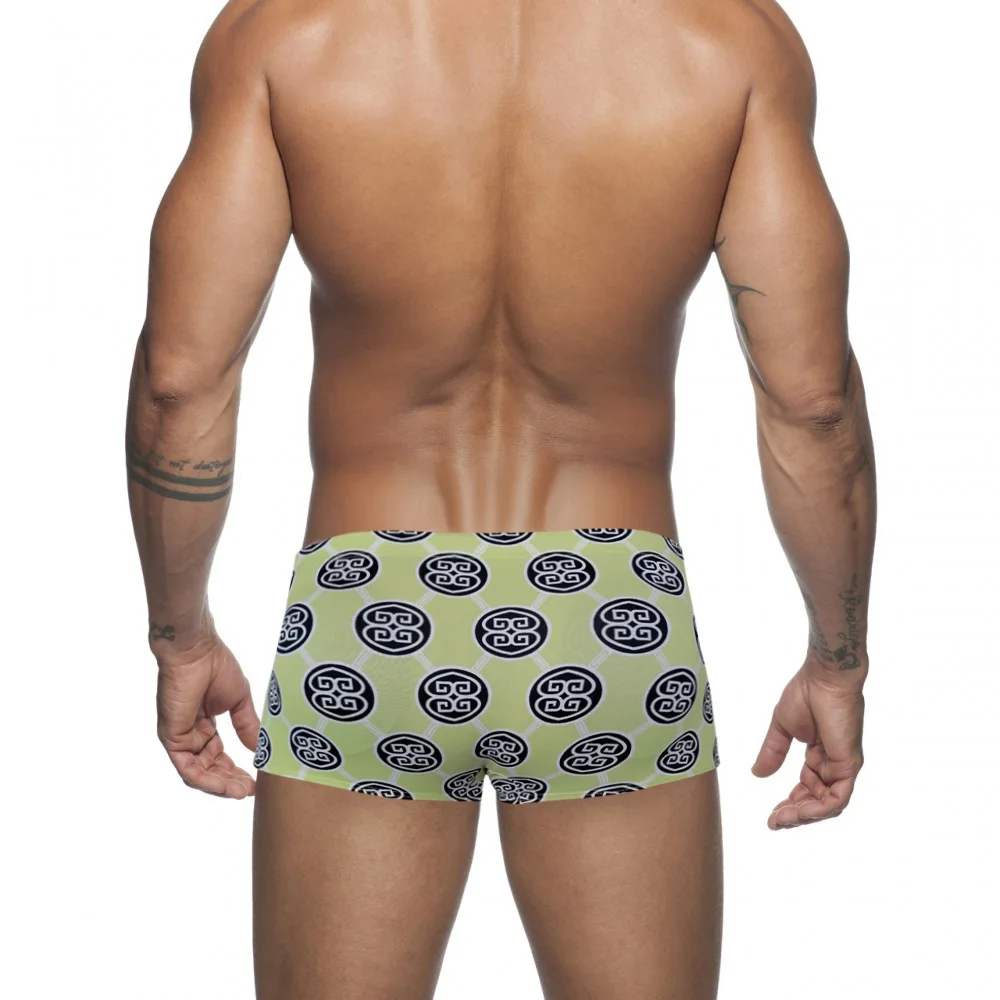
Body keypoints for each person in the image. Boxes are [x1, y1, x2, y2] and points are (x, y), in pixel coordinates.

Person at [125, 1, 876, 997]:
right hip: (609, 608)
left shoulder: (286, 32)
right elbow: (812, 402)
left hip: (370, 601)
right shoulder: (727, 39)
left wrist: (180, 640)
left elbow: (181, 382)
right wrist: (838, 660)